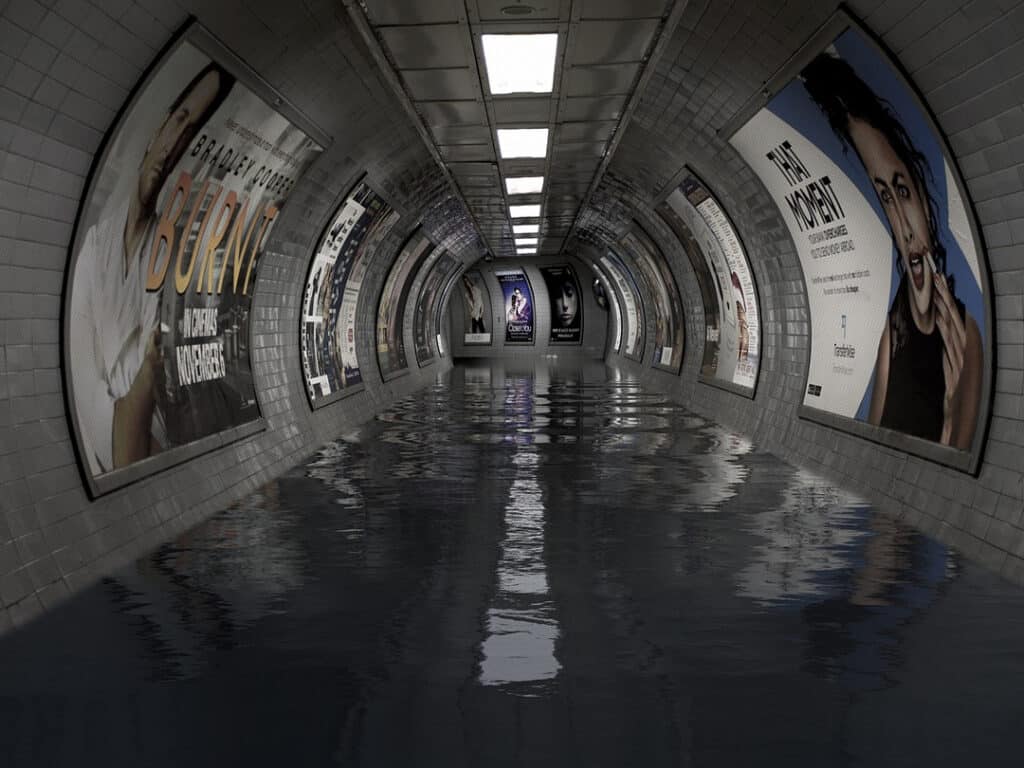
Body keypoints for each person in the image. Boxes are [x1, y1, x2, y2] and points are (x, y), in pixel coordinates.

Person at [802, 52, 982, 449]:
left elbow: (959, 472)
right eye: (885, 196)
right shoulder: (893, 332)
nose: (901, 222)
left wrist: (950, 418)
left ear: (924, 202)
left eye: (902, 191)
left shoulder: (965, 338)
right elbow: (874, 451)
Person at [69, 63, 234, 476]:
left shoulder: (172, 255)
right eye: (178, 120)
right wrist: (140, 384)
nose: (175, 142)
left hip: (146, 451)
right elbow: (116, 440)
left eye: (190, 132)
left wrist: (138, 393)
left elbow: (140, 443)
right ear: (159, 126)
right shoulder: (94, 246)